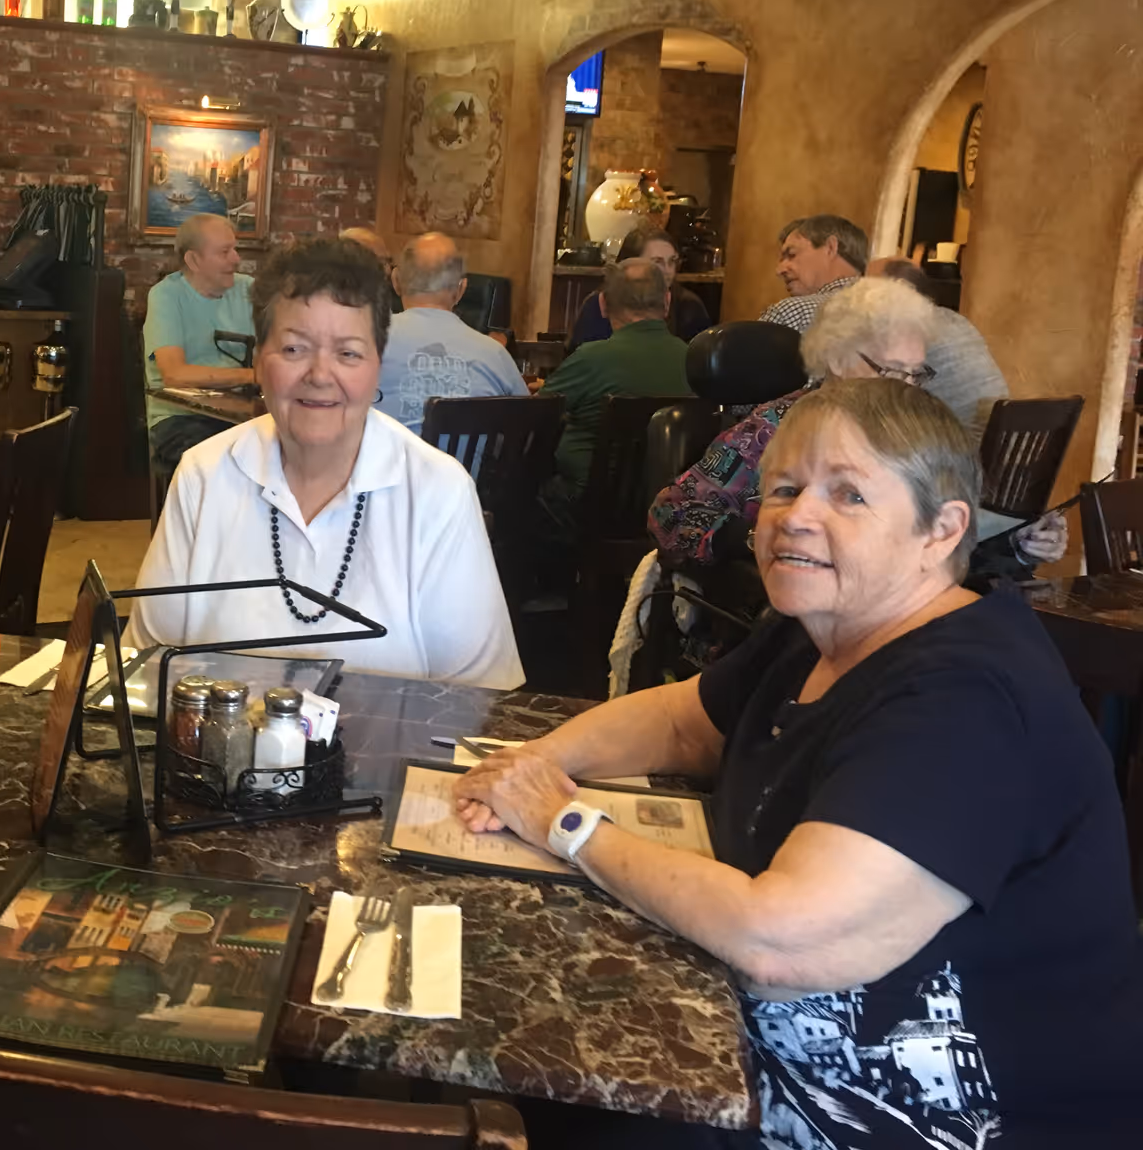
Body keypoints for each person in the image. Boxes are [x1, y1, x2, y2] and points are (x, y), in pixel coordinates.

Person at [456, 378, 1143, 1148]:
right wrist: (529, 761)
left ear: (941, 531)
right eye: (783, 488)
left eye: (848, 495)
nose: (797, 516)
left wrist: (562, 819)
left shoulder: (966, 699)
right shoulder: (825, 625)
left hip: (940, 1118)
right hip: (778, 1048)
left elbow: (784, 942)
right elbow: (685, 721)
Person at [131, 238, 521, 688]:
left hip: (387, 757)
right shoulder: (204, 473)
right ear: (259, 362)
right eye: (294, 349)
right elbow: (148, 664)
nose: (319, 376)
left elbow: (480, 695)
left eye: (348, 353)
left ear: (377, 365)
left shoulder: (438, 489)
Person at [651, 278, 1064, 578]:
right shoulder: (775, 428)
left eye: (914, 374)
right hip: (788, 627)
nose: (903, 388)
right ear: (835, 357)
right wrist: (761, 541)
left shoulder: (914, 438)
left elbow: (933, 550)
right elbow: (672, 514)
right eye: (889, 371)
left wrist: (1018, 547)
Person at [538, 259, 691, 525]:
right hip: (671, 511)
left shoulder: (590, 359)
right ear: (667, 302)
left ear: (603, 304)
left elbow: (533, 420)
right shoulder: (696, 362)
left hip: (582, 510)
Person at [143, 213, 257, 508]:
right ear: (193, 261)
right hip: (179, 419)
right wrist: (252, 376)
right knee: (221, 470)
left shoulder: (248, 290)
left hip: (240, 416)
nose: (236, 259)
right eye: (224, 252)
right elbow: (175, 374)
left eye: (235, 248)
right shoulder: (167, 295)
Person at [378, 231, 527, 435]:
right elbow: (528, 426)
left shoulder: (366, 340)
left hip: (387, 466)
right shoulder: (496, 354)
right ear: (461, 289)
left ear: (396, 281)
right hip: (469, 468)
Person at [866, 255, 1008, 445]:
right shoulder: (957, 320)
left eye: (865, 287)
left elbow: (873, 400)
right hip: (1006, 456)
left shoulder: (907, 328)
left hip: (961, 460)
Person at [567, 228, 712, 348]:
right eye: (657, 262)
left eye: (672, 261)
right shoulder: (600, 303)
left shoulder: (689, 306)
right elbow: (576, 359)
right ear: (630, 264)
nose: (668, 270)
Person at [760, 214, 866, 334]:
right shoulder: (884, 311)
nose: (779, 270)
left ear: (830, 248)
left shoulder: (793, 313)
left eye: (791, 255)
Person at [340, 223, 401, 323]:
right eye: (381, 262)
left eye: (389, 261)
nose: (388, 270)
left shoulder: (393, 299)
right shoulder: (330, 305)